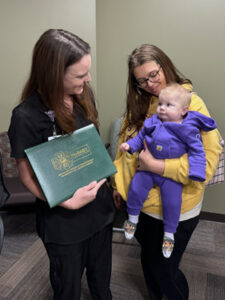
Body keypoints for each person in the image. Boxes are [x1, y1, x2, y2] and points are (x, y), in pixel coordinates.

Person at [8, 29, 115, 300]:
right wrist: (66, 202)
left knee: (102, 282)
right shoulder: (26, 116)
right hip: (64, 221)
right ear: (54, 73)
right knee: (67, 288)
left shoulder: (83, 96)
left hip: (99, 211)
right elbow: (26, 174)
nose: (88, 79)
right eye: (80, 75)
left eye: (87, 72)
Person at [113, 44, 222, 300]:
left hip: (177, 207)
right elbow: (124, 149)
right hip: (140, 204)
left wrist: (158, 166)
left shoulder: (191, 104)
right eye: (141, 80)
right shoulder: (139, 102)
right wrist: (117, 186)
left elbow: (205, 164)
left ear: (165, 65)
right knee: (149, 262)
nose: (150, 84)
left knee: (166, 270)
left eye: (153, 74)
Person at [120, 83, 217, 258]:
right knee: (136, 188)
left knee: (172, 202)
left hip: (169, 176)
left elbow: (198, 152)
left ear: (184, 110)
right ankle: (132, 218)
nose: (162, 109)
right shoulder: (153, 121)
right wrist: (130, 146)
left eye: (168, 105)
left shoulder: (188, 128)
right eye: (160, 104)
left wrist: (196, 172)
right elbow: (140, 136)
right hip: (146, 171)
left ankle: (169, 234)